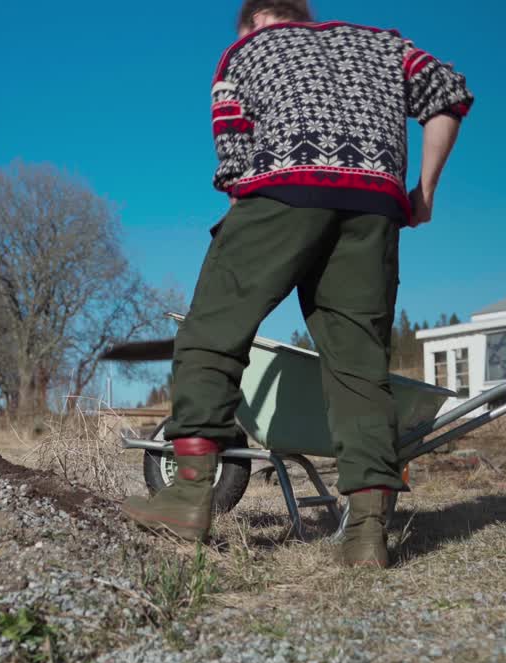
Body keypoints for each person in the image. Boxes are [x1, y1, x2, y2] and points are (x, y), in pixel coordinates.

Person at [121, 0, 473, 568]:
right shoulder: (386, 43)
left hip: (284, 188)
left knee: (214, 329)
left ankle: (188, 493)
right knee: (359, 364)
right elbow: (448, 93)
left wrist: (252, 236)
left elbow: (234, 158)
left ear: (258, 17)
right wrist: (424, 191)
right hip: (375, 205)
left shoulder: (246, 50)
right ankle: (365, 533)